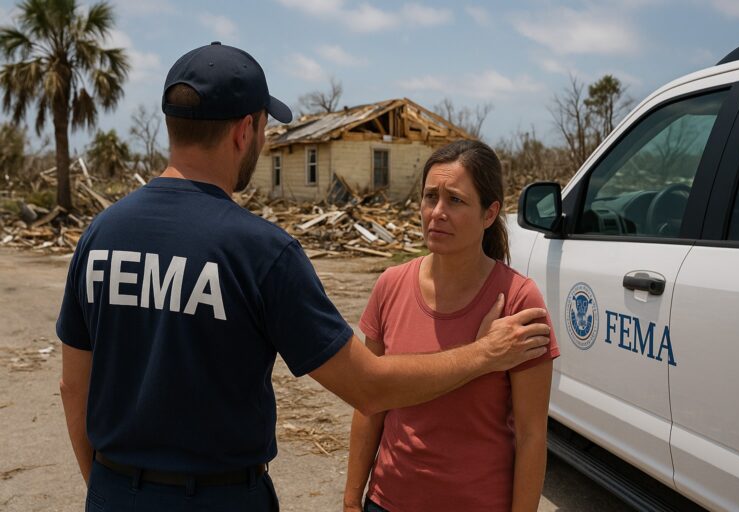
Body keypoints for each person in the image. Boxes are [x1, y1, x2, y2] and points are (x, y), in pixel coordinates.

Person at [56, 43, 552, 511]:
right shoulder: (260, 252)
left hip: (114, 489)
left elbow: (73, 389)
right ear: (243, 131)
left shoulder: (101, 233)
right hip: (220, 498)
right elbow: (369, 387)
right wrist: (486, 353)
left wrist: (107, 488)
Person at [344, 140, 560, 512]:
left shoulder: (519, 301)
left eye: (456, 200)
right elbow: (369, 405)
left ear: (490, 214)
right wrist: (351, 500)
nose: (437, 213)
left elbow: (530, 435)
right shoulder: (390, 285)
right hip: (386, 501)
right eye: (430, 197)